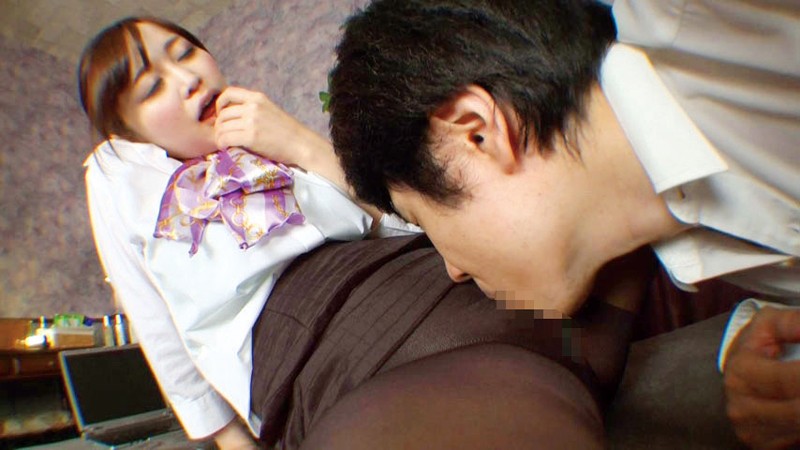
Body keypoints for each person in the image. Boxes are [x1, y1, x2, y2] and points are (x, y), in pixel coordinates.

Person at [328, 0, 799, 447]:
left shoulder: (723, 23)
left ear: (477, 134)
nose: (454, 269)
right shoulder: (709, 248)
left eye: (423, 220)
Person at [78, 16, 417, 447]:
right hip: (302, 335)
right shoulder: (119, 172)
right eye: (152, 87)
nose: (188, 79)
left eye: (186, 53)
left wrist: (297, 141)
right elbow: (153, 318)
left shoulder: (263, 142)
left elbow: (399, 226)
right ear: (129, 134)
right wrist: (229, 438)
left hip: (395, 273)